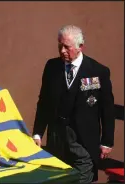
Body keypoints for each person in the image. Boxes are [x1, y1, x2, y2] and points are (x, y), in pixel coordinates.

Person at [32, 25, 115, 183]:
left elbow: (107, 109)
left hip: (84, 141)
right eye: (59, 45)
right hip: (57, 139)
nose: (62, 50)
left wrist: (107, 141)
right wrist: (37, 133)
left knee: (84, 175)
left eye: (66, 47)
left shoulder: (98, 71)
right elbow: (44, 102)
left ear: (80, 47)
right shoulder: (52, 67)